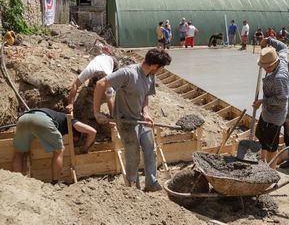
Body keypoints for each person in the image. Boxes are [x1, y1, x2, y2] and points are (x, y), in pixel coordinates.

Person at [93, 48, 172, 192]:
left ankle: (151, 183)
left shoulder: (150, 75)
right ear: (155, 66)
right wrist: (97, 112)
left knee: (150, 149)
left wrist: (146, 112)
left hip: (141, 119)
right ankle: (132, 186)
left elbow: (145, 95)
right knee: (133, 153)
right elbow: (100, 84)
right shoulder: (128, 73)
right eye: (161, 68)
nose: (160, 71)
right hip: (126, 121)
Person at [12, 108, 96, 184]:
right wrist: (85, 148)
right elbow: (92, 132)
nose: (73, 143)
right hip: (42, 120)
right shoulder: (72, 121)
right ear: (74, 133)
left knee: (19, 152)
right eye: (75, 140)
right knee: (59, 150)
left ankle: (16, 181)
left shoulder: (58, 118)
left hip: (23, 119)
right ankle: (55, 182)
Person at [253, 37, 289, 169]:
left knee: (271, 146)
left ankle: (270, 171)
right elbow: (283, 47)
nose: (265, 69)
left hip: (275, 116)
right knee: (262, 138)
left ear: (273, 64)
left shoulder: (279, 78)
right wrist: (268, 40)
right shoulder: (281, 59)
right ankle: (261, 163)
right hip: (266, 112)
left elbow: (282, 100)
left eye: (266, 67)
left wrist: (263, 101)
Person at [66, 46, 118, 116]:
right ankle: (107, 53)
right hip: (100, 58)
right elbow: (75, 85)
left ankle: (110, 54)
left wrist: (112, 116)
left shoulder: (109, 81)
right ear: (91, 80)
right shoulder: (89, 70)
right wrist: (70, 103)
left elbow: (110, 99)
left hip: (112, 61)